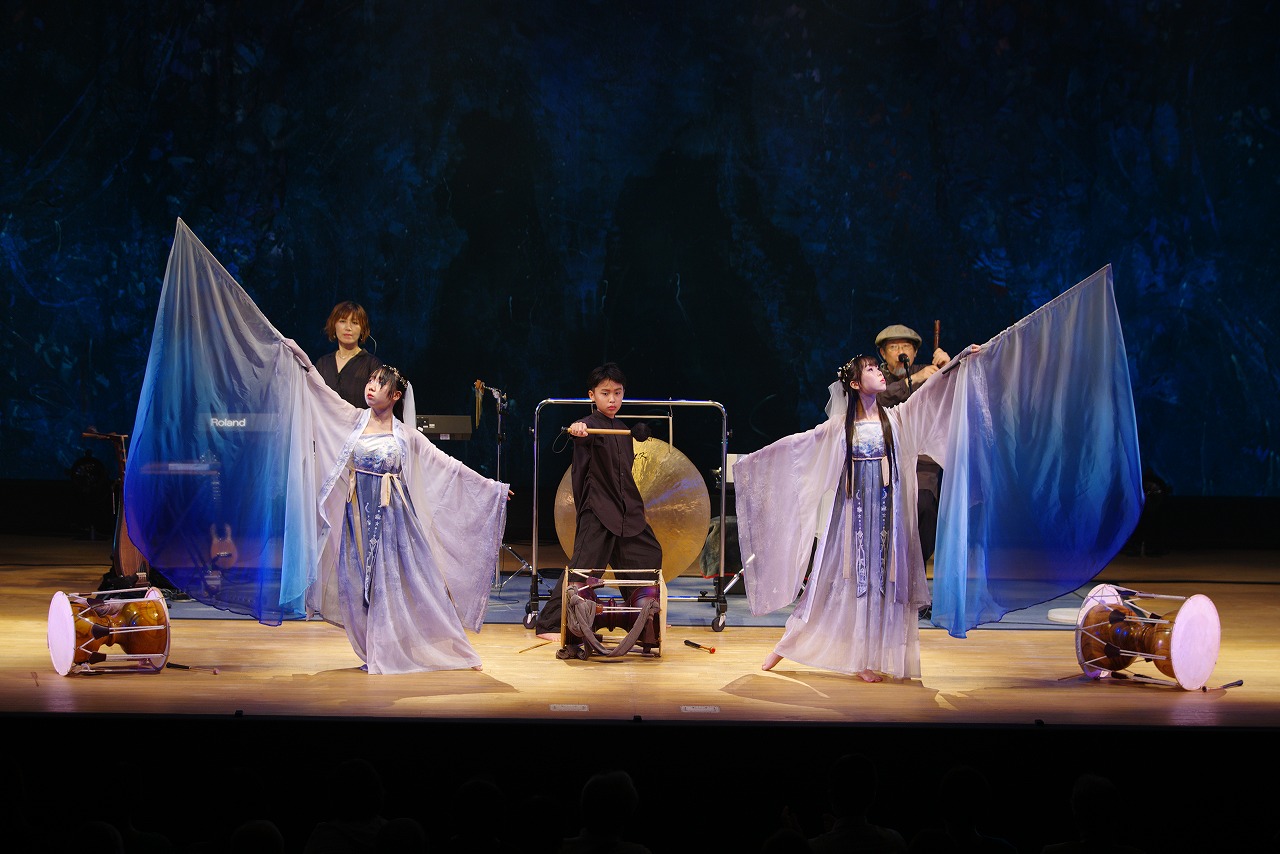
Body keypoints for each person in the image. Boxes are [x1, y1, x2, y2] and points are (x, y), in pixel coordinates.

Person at [735, 348, 974, 681]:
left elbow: (929, 395)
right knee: (833, 585)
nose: (879, 372)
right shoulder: (840, 428)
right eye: (871, 369)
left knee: (881, 586)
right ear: (855, 383)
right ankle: (788, 645)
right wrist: (754, 463)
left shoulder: (895, 419)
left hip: (885, 520)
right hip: (852, 522)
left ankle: (867, 657)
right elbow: (799, 446)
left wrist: (959, 360)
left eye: (878, 368)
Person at [315, 364, 509, 673]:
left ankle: (438, 648)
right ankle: (375, 647)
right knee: (357, 582)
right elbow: (322, 395)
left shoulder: (405, 434)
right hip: (358, 516)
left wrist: (489, 487)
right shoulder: (354, 420)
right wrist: (299, 361)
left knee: (407, 583)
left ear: (395, 396)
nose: (371, 387)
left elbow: (447, 464)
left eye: (380, 384)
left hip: (391, 519)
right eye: (370, 381)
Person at [533, 362, 663, 644]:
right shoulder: (588, 426)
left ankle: (641, 618)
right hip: (599, 510)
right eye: (605, 393)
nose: (612, 399)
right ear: (592, 395)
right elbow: (579, 433)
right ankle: (549, 623)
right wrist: (578, 431)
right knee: (583, 568)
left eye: (617, 392)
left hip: (627, 511)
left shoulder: (624, 430)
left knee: (647, 554)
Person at [876, 323, 950, 571]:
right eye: (893, 347)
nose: (900, 352)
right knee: (884, 510)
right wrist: (912, 381)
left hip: (921, 459)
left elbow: (954, 390)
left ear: (915, 352)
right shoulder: (876, 376)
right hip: (885, 458)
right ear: (883, 353)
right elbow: (878, 398)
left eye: (906, 346)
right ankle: (884, 569)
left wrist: (948, 366)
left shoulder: (930, 373)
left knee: (925, 506)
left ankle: (914, 570)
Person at [315, 300, 383, 408]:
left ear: (362, 329)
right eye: (342, 321)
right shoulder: (323, 363)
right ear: (334, 325)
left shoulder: (372, 365)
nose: (348, 328)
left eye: (355, 323)